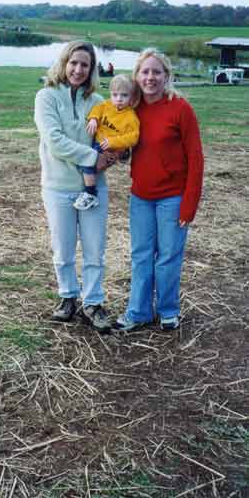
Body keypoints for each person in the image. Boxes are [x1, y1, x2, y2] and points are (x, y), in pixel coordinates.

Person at [116, 48, 204, 332]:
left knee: (168, 256)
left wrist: (189, 205)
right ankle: (138, 311)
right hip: (141, 197)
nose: (150, 77)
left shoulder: (180, 108)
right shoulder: (131, 109)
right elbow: (125, 146)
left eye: (156, 72)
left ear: (167, 75)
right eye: (145, 72)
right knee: (141, 255)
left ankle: (168, 310)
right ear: (137, 76)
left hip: (173, 198)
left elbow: (196, 158)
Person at [34, 40, 117, 333]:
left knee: (95, 249)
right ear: (63, 63)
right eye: (74, 63)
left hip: (95, 188)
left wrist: (115, 153)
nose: (78, 70)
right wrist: (95, 157)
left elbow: (112, 139)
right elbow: (54, 141)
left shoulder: (98, 103)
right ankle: (67, 297)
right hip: (58, 187)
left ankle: (92, 301)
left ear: (92, 69)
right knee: (63, 248)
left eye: (85, 65)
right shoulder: (46, 97)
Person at [73, 74, 140, 210]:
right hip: (97, 141)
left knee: (87, 165)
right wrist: (93, 119)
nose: (119, 99)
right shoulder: (107, 105)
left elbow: (133, 137)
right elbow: (97, 110)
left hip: (110, 147)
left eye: (124, 95)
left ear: (131, 97)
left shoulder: (130, 117)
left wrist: (114, 142)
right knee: (86, 164)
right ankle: (87, 188)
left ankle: (90, 193)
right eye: (115, 95)